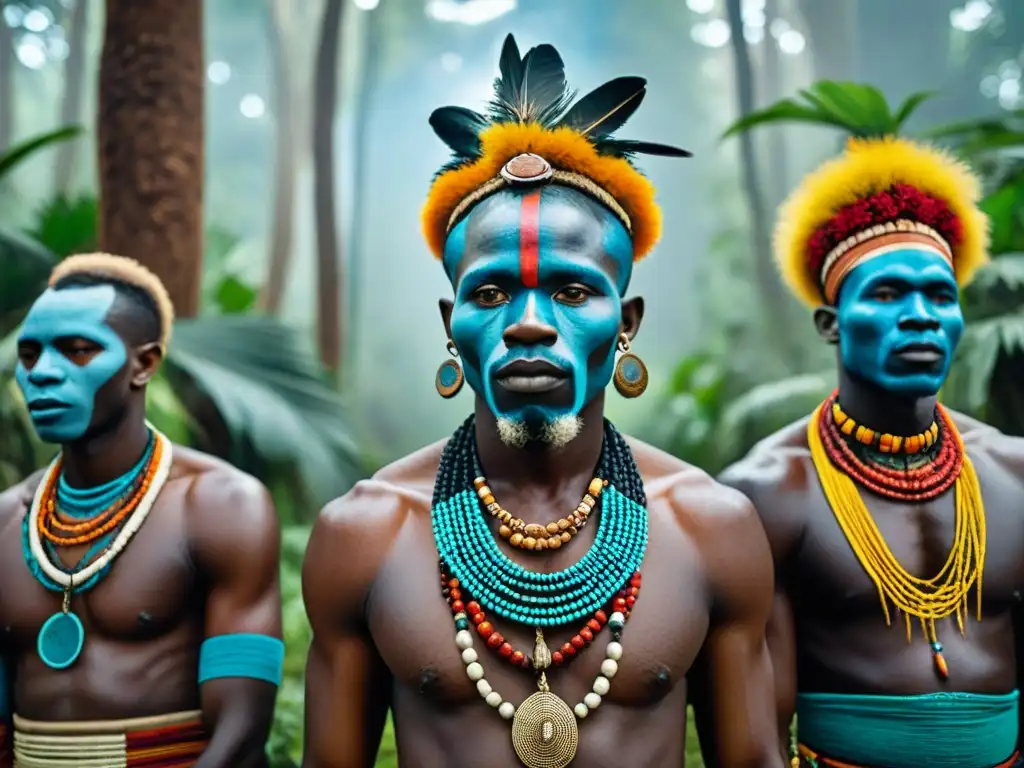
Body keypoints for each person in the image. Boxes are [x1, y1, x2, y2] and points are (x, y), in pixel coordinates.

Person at [301, 33, 781, 768]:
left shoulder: (709, 526)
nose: (528, 321)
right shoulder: (366, 534)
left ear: (626, 324)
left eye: (571, 290)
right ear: (450, 325)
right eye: (490, 292)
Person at [719, 136, 1024, 768]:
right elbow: (756, 732)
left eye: (941, 297)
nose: (921, 317)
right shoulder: (769, 492)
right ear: (831, 323)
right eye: (886, 295)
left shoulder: (1013, 472)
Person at [0, 253, 284, 767]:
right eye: (29, 354)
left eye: (78, 350)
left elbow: (241, 731)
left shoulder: (219, 506)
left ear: (144, 364)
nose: (43, 373)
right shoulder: (4, 520)